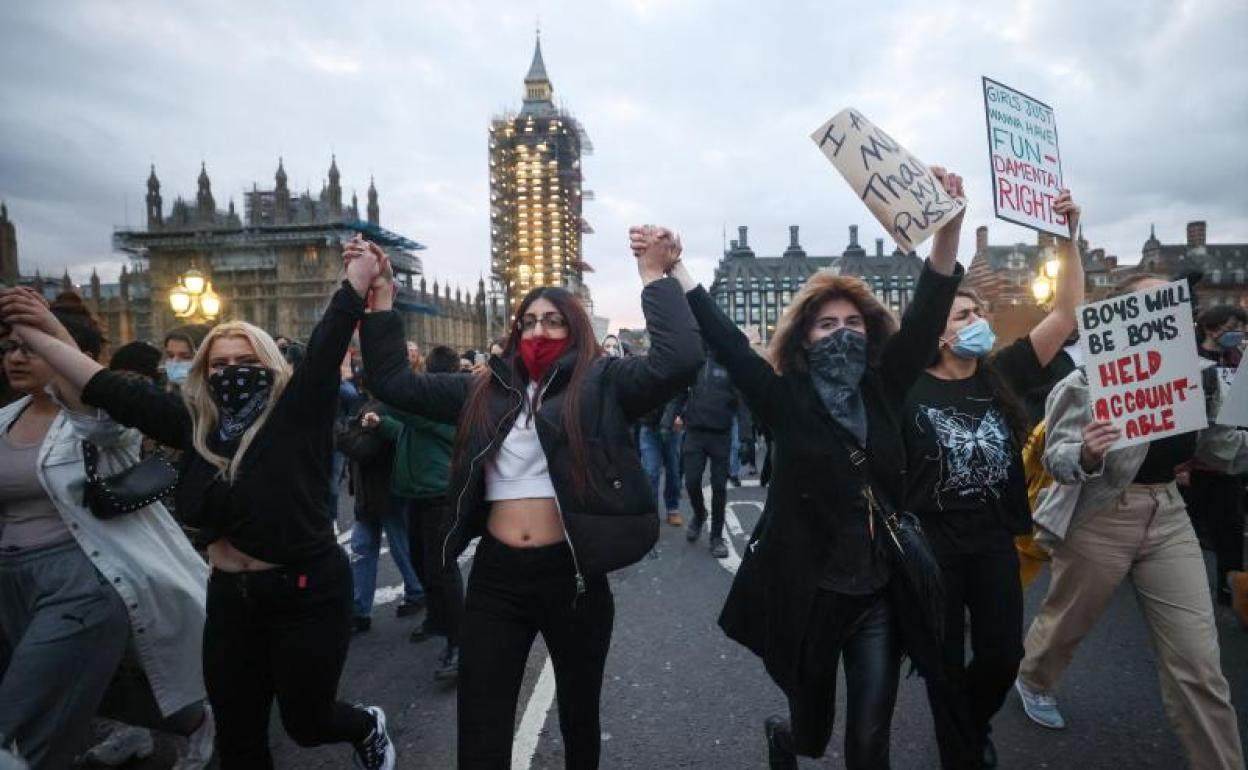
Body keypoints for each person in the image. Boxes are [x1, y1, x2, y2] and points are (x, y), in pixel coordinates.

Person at [0, 239, 397, 770]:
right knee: (238, 738)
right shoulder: (195, 426)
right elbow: (104, 385)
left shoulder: (298, 413)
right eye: (220, 362)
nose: (232, 370)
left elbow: (327, 343)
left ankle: (366, 725)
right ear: (204, 374)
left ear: (273, 365)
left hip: (305, 591)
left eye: (245, 360)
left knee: (307, 723)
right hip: (231, 597)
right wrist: (36, 328)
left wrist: (358, 278)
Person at [356, 226, 701, 769]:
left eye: (554, 320)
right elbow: (395, 382)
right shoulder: (481, 390)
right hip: (498, 581)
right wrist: (379, 302)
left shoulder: (604, 383)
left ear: (576, 329)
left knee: (579, 718)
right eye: (529, 322)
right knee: (482, 721)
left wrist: (654, 276)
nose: (540, 330)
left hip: (573, 578)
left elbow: (679, 360)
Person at [675, 167, 967, 769]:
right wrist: (677, 268)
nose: (841, 333)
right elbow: (728, 342)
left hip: (877, 595)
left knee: (869, 743)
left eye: (853, 323)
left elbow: (931, 305)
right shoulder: (783, 399)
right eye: (827, 324)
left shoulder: (887, 386)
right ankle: (785, 738)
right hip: (809, 598)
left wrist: (949, 225)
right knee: (812, 737)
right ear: (804, 339)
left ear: (871, 330)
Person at [1016, 273, 1248, 770]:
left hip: (1168, 516)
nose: (1168, 312)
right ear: (1122, 319)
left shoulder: (1197, 378)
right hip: (1101, 514)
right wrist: (1088, 450)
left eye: (1173, 303)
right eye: (1152, 303)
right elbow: (1055, 458)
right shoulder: (1082, 382)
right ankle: (1034, 678)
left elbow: (1220, 448)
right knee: (1067, 622)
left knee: (1199, 667)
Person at [905, 191, 1083, 769]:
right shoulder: (908, 387)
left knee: (1002, 655)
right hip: (932, 547)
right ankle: (962, 751)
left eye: (979, 312)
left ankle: (972, 721)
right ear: (936, 332)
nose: (977, 321)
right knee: (941, 661)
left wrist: (1067, 240)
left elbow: (1064, 317)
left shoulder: (1000, 373)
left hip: (991, 542)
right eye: (963, 315)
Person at [0, 294, 213, 770]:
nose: (16, 355)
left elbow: (105, 420)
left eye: (30, 346)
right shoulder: (4, 420)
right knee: (98, 685)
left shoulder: (95, 421)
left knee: (20, 716)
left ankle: (195, 721)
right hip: (12, 578)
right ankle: (181, 724)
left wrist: (50, 332)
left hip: (82, 580)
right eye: (9, 346)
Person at [375, 345, 465, 680]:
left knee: (442, 567)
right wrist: (381, 423)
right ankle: (438, 619)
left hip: (439, 493)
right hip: (416, 493)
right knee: (419, 560)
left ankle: (460, 643)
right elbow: (406, 428)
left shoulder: (453, 403)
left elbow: (413, 415)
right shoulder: (428, 406)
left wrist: (391, 391)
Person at [340, 393, 427, 634]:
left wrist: (339, 432)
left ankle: (416, 591)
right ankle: (360, 611)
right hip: (373, 494)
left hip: (385, 493)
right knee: (364, 547)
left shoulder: (382, 408)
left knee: (396, 546)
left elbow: (365, 450)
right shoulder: (372, 405)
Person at [1180, 304, 1247, 606]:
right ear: (1210, 328)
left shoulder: (1240, 360)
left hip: (1231, 463)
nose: (1239, 332)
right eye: (1232, 326)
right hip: (1196, 465)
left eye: (1242, 327)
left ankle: (1229, 587)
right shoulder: (1191, 363)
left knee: (1230, 529)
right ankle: (1186, 591)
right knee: (1191, 531)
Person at [672, 350, 739, 558]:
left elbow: (742, 402)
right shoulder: (695, 362)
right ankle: (700, 513)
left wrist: (745, 437)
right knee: (691, 481)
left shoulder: (730, 364)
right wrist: (670, 419)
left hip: (721, 435)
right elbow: (680, 394)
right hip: (695, 433)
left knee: (719, 486)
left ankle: (717, 537)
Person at [638, 396, 685, 526]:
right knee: (651, 472)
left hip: (672, 428)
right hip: (649, 426)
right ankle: (651, 513)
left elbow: (683, 395)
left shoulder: (674, 376)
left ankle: (672, 509)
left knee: (673, 471)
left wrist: (681, 416)